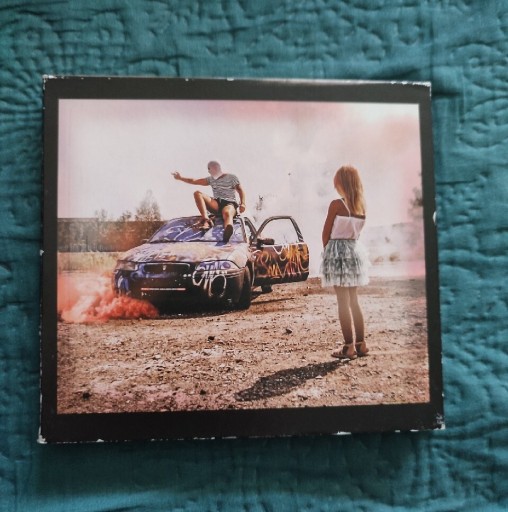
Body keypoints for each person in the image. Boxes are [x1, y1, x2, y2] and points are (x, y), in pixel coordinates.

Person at [320, 165, 370, 359]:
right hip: (354, 251)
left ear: (342, 183)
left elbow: (325, 234)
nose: (335, 186)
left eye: (337, 182)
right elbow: (357, 234)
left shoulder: (336, 204)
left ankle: (348, 347)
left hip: (337, 251)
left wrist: (328, 254)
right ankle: (361, 344)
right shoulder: (361, 206)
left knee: (342, 301)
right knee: (354, 300)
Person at [172, 161, 246, 243]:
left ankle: (228, 230)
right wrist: (180, 178)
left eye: (209, 169)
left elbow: (240, 190)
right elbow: (194, 181)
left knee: (227, 213)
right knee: (197, 193)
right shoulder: (211, 179)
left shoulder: (232, 177)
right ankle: (205, 218)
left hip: (229, 203)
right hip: (217, 203)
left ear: (216, 168)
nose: (209, 172)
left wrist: (243, 203)